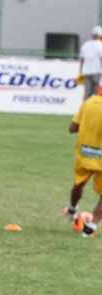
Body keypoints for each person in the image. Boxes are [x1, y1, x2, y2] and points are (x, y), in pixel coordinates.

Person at [66, 93, 102, 237]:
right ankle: (91, 227)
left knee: (79, 183)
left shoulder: (88, 103)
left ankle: (72, 209)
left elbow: (72, 128)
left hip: (85, 153)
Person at [79, 26, 102, 100]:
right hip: (97, 72)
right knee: (98, 93)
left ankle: (85, 109)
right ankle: (96, 110)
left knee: (86, 94)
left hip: (87, 72)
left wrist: (80, 71)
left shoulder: (86, 45)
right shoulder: (100, 45)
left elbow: (82, 59)